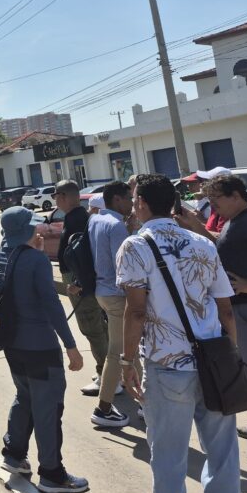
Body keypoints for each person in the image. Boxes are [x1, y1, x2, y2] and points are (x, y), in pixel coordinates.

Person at [117, 174, 239, 493]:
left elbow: (137, 311)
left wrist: (127, 361)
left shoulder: (135, 246)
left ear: (141, 203)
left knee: (169, 458)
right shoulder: (201, 244)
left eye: (133, 200)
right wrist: (233, 356)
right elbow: (225, 309)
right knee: (223, 452)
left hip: (168, 365)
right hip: (215, 362)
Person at [0, 207, 88, 493]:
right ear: (26, 230)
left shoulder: (1, 254)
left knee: (24, 396)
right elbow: (52, 305)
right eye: (34, 227)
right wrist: (72, 346)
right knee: (48, 408)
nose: (40, 231)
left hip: (13, 343)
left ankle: (14, 454)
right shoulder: (36, 260)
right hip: (40, 345)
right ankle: (52, 473)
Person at [197, 174, 247, 440]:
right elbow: (222, 243)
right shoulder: (234, 222)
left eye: (216, 198)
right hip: (239, 309)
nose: (212, 204)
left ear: (236, 196)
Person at [53, 180, 108, 396]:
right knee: (99, 328)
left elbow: (83, 257)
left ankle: (107, 377)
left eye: (56, 195)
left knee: (92, 328)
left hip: (80, 284)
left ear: (64, 196)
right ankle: (110, 372)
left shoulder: (77, 221)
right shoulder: (79, 218)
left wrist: (77, 283)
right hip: (82, 282)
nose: (55, 199)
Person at [87, 180, 135, 428]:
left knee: (130, 348)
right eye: (129, 199)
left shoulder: (96, 219)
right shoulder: (116, 226)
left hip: (101, 290)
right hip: (117, 294)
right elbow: (125, 265)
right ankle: (103, 408)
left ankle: (144, 402)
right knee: (118, 352)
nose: (132, 203)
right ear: (117, 199)